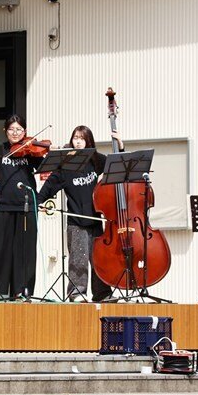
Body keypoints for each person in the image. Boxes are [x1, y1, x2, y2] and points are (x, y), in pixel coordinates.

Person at [38, 126, 122, 302]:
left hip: (95, 219)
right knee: (78, 259)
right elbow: (50, 186)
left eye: (82, 138)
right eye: (75, 138)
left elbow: (117, 165)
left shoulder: (95, 160)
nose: (78, 142)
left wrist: (120, 146)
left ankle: (102, 293)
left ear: (88, 141)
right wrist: (37, 201)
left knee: (99, 259)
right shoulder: (65, 165)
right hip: (76, 221)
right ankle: (77, 293)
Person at [0, 115, 45, 301]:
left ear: (25, 131)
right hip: (4, 204)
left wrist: (44, 154)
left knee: (25, 250)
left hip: (26, 205)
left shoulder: (30, 151)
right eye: (11, 129)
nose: (15, 133)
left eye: (19, 129)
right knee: (1, 248)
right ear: (5, 131)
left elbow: (44, 167)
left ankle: (22, 289)